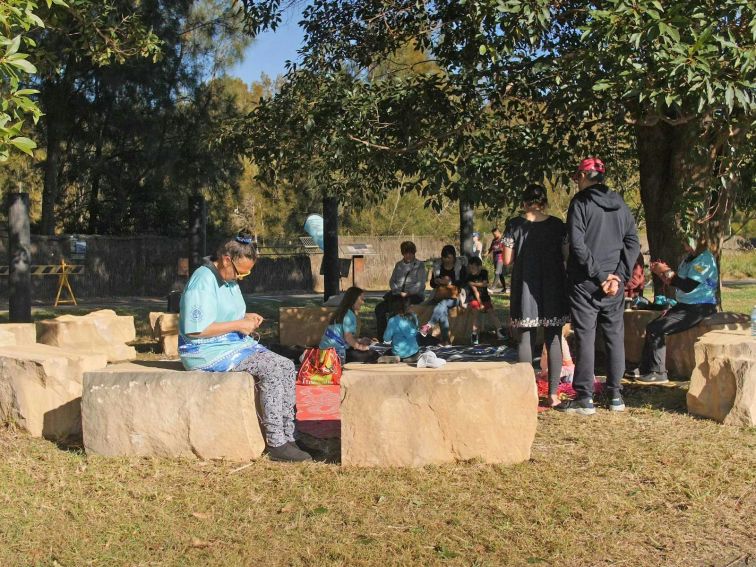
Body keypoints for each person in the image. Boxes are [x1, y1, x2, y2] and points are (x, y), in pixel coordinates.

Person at [179, 236, 311, 462]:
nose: (241, 277)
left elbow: (222, 314)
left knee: (287, 366)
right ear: (226, 260)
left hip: (231, 343)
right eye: (240, 272)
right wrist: (239, 324)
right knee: (272, 367)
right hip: (205, 351)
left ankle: (289, 436)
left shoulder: (227, 279)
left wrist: (243, 317)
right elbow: (195, 329)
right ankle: (276, 442)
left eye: (247, 273)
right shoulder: (202, 281)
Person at [556, 157, 640, 416]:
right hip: (613, 284)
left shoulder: (580, 203)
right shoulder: (620, 204)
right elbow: (633, 242)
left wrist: (602, 276)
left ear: (583, 176)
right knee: (615, 336)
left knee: (586, 336)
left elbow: (577, 245)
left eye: (577, 177)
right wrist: (618, 276)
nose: (576, 182)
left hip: (586, 283)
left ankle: (585, 398)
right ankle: (615, 395)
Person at [502, 184, 570, 407]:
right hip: (553, 285)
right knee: (554, 338)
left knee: (526, 337)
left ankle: (526, 395)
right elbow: (566, 255)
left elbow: (507, 260)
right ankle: (553, 395)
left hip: (525, 287)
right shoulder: (558, 226)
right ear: (544, 202)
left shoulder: (514, 225)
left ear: (524, 202)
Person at [629, 235, 718, 383]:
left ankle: (658, 372)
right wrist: (663, 274)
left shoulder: (705, 259)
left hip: (699, 307)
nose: (684, 246)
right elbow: (678, 282)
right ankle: (645, 367)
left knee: (657, 328)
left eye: (687, 243)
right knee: (652, 326)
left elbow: (688, 286)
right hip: (684, 305)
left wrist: (667, 271)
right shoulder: (688, 258)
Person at [373, 241, 426, 338]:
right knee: (380, 308)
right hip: (397, 295)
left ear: (414, 253)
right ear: (403, 253)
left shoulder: (420, 265)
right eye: (406, 253)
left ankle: (396, 336)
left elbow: (421, 285)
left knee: (398, 308)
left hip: (414, 296)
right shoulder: (399, 265)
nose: (409, 255)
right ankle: (382, 336)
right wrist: (397, 291)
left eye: (411, 253)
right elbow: (392, 281)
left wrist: (408, 293)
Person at [419, 244, 467, 346]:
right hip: (440, 294)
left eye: (449, 257)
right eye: (444, 257)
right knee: (442, 309)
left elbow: (463, 283)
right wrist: (437, 281)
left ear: (454, 256)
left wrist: (449, 282)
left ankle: (429, 325)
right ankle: (447, 341)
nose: (446, 260)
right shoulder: (438, 266)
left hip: (456, 296)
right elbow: (432, 284)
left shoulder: (460, 267)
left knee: (443, 304)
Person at [320, 286, 379, 364]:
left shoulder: (344, 312)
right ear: (354, 299)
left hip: (327, 350)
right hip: (334, 352)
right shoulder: (348, 315)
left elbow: (343, 336)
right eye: (361, 299)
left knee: (370, 354)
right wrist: (361, 347)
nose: (363, 302)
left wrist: (360, 340)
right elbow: (348, 338)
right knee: (373, 354)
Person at [464, 256, 506, 344]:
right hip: (474, 298)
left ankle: (500, 331)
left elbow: (485, 284)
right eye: (470, 268)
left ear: (479, 267)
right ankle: (474, 335)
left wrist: (475, 283)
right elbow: (475, 292)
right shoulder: (469, 277)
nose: (471, 270)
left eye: (473, 267)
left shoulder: (484, 272)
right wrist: (480, 303)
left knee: (492, 312)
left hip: (485, 297)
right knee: (475, 314)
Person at [383, 294, 421, 362]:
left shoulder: (393, 320)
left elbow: (386, 338)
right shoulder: (414, 317)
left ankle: (397, 359)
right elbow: (416, 331)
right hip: (414, 353)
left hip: (398, 354)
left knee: (386, 353)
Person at [488, 227, 506, 292]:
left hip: (500, 258)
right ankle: (504, 288)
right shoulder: (494, 240)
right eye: (493, 234)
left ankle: (493, 287)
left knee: (497, 272)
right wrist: (487, 253)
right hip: (495, 258)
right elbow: (490, 248)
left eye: (495, 234)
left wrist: (495, 249)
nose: (494, 235)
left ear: (499, 232)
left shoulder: (503, 239)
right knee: (500, 273)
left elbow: (504, 249)